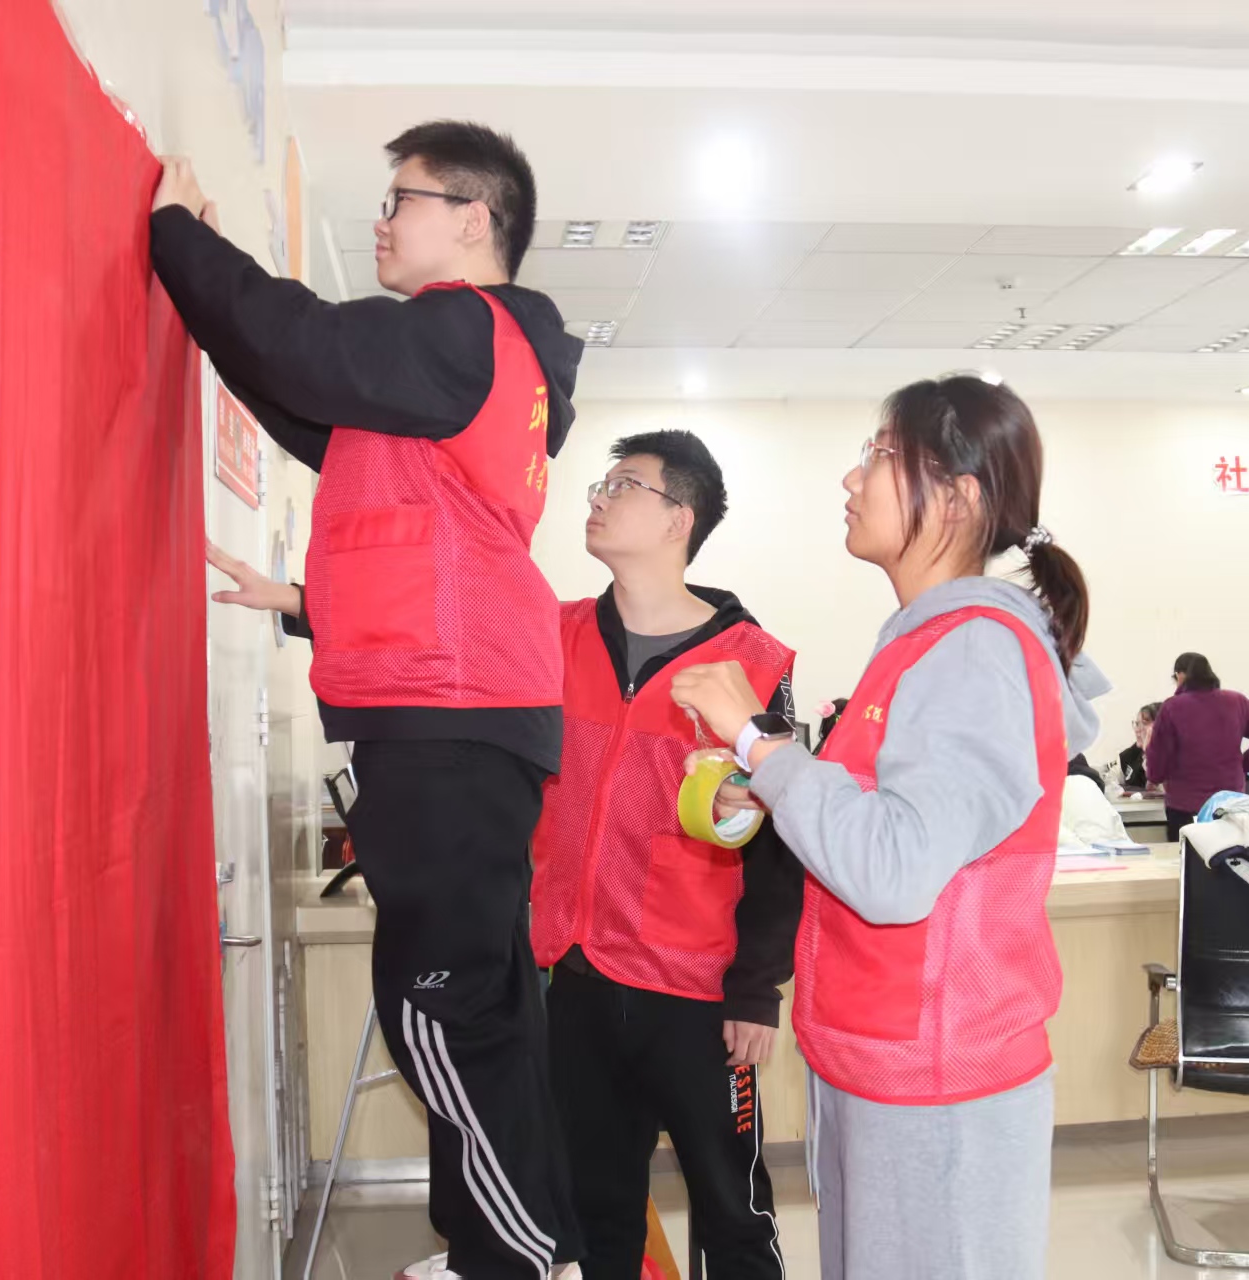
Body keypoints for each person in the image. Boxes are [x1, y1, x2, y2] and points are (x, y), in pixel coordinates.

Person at [150, 122, 584, 1280]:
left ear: (474, 220)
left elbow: (303, 343)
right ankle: (513, 1245)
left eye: (403, 199)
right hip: (462, 710)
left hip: (448, 717)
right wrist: (206, 293)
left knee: (441, 1009)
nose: (382, 220)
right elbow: (307, 393)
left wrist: (179, 237)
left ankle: (516, 1258)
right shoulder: (475, 361)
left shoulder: (463, 327)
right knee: (486, 1004)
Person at [668, 376, 1108, 1280]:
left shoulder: (975, 647)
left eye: (878, 456)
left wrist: (759, 741)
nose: (851, 478)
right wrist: (773, 788)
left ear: (958, 498)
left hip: (938, 1083)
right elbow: (899, 824)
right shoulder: (923, 641)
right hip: (884, 1060)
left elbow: (897, 872)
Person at [533, 431, 800, 1280]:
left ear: (679, 519)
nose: (598, 497)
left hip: (698, 996)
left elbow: (781, 844)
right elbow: (450, 641)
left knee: (734, 1214)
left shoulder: (752, 664)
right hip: (577, 980)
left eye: (624, 485)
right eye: (601, 483)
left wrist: (756, 991)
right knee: (595, 1215)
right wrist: (301, 603)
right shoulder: (557, 635)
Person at [1144, 653, 1249, 841]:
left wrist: (1154, 776)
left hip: (1186, 805)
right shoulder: (1237, 702)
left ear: (1180, 675)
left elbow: (1159, 759)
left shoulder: (1172, 707)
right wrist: (1245, 765)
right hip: (1231, 803)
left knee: (1186, 857)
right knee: (1229, 854)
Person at [1119, 702, 1161, 790]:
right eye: (1137, 724)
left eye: (1144, 723)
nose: (1137, 730)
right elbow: (1109, 777)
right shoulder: (1133, 753)